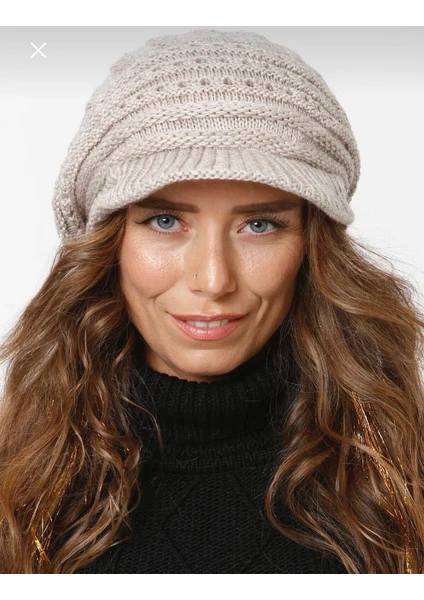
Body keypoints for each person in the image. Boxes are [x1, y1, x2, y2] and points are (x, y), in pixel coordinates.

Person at [0, 28, 423, 575]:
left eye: (260, 225)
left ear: (312, 248)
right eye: (165, 221)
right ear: (108, 243)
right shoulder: (21, 480)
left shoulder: (401, 475)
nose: (214, 279)